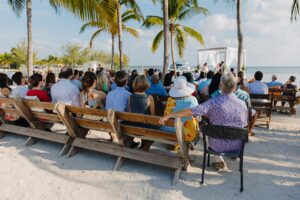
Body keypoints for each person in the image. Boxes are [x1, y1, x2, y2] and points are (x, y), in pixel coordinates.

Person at [160, 74, 248, 170]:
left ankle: (218, 159)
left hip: (217, 146)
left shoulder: (213, 102)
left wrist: (169, 115)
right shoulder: (243, 104)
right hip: (237, 146)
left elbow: (191, 111)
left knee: (208, 130)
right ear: (235, 87)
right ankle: (220, 159)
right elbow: (244, 124)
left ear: (220, 86)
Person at [161, 76, 199, 144]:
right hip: (186, 133)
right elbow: (196, 116)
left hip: (169, 130)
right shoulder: (193, 100)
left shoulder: (170, 100)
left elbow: (166, 114)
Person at [126, 75, 157, 151]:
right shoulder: (149, 98)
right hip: (144, 126)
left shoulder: (130, 97)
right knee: (158, 127)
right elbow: (153, 115)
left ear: (135, 84)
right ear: (146, 84)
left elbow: (129, 112)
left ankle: (144, 143)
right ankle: (146, 144)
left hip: (133, 125)